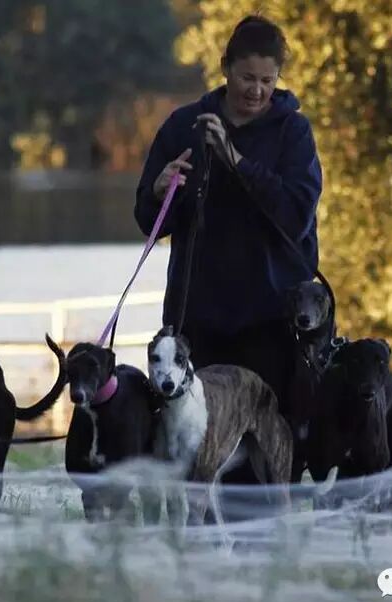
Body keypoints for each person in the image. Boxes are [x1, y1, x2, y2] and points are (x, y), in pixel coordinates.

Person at [134, 14, 322, 418]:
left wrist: (235, 161)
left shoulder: (293, 132)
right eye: (247, 78)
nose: (256, 91)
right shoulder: (183, 126)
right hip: (196, 317)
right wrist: (157, 192)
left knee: (264, 451)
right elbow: (149, 223)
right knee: (194, 446)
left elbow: (295, 219)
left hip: (270, 319)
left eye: (267, 81)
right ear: (225, 69)